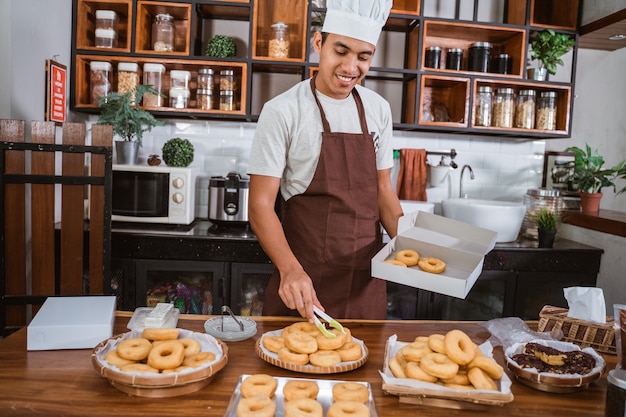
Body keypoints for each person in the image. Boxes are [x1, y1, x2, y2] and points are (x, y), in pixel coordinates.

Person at [247, 0, 402, 322]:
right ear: (319, 43)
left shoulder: (378, 109)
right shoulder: (284, 110)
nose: (350, 68)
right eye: (341, 51)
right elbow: (260, 204)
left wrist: (413, 247)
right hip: (304, 277)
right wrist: (290, 271)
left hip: (365, 282)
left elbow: (383, 190)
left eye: (363, 57)